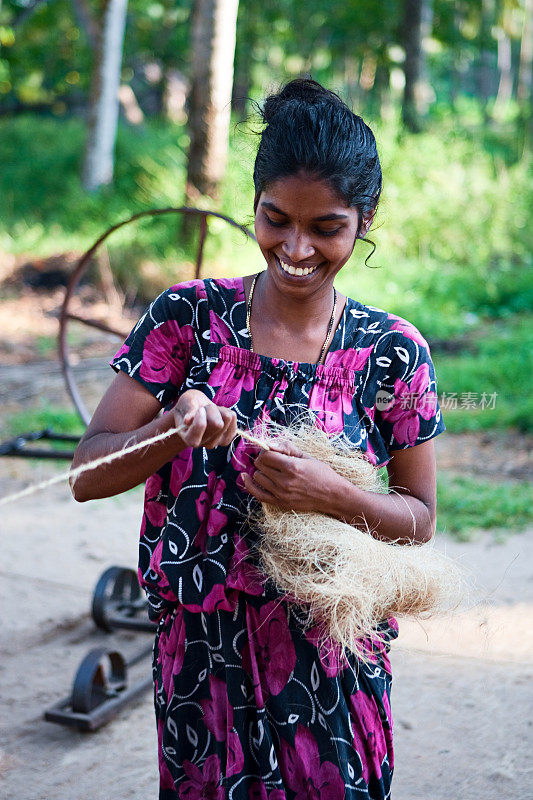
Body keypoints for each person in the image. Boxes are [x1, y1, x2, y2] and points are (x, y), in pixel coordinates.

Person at [71, 78, 445, 800]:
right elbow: (86, 473)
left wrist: (331, 495)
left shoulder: (391, 352)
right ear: (253, 204)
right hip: (201, 662)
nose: (296, 247)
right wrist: (166, 431)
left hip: (332, 656)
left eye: (327, 227)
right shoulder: (187, 319)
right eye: (275, 219)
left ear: (365, 218)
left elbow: (418, 522)